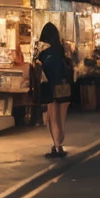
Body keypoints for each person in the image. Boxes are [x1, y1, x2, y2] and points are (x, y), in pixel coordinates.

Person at [33, 22, 73, 158]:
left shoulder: (43, 52)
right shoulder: (62, 49)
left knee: (53, 118)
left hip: (50, 87)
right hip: (64, 86)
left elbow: (38, 68)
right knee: (61, 119)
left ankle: (57, 146)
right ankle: (60, 144)